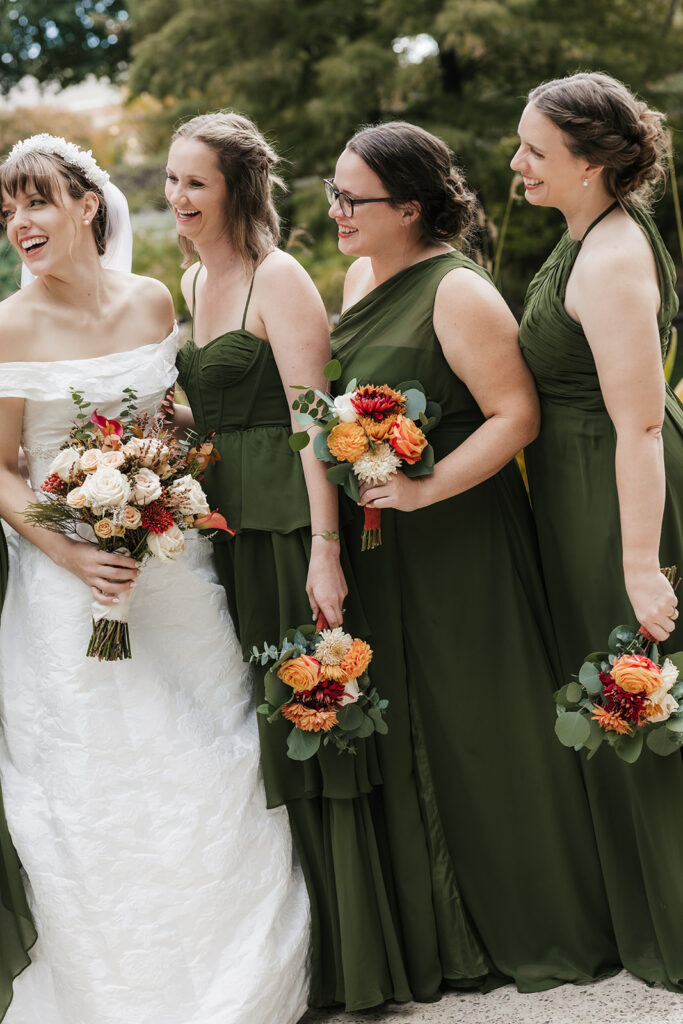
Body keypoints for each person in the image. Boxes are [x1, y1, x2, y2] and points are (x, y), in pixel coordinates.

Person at [0, 134, 309, 1023]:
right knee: (102, 778)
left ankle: (244, 972)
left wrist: (157, 494)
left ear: (87, 205)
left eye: (38, 202)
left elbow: (174, 422)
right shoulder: (11, 326)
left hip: (172, 570)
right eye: (10, 210)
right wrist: (71, 549)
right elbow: (5, 469)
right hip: (71, 586)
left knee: (211, 752)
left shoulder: (150, 302)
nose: (21, 222)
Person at [327, 120, 620, 993]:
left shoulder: (457, 291)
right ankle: (445, 940)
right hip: (386, 540)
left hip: (461, 537)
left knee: (482, 723)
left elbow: (514, 415)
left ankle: (539, 921)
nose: (335, 210)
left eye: (353, 198)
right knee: (415, 723)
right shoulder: (353, 275)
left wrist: (423, 488)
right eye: (336, 193)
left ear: (408, 208)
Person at [169, 110, 432, 1012]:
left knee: (312, 721)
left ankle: (360, 964)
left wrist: (325, 551)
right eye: (170, 182)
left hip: (286, 529)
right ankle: (289, 952)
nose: (177, 199)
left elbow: (310, 425)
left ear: (238, 188)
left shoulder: (276, 278)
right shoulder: (190, 276)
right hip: (221, 537)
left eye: (194, 182)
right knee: (260, 740)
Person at [513, 72, 683, 989]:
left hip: (615, 496)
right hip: (581, 487)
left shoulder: (613, 257)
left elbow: (641, 422)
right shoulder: (583, 232)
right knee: (611, 698)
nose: (518, 164)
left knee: (635, 694)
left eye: (536, 151)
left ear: (590, 164)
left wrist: (638, 561)